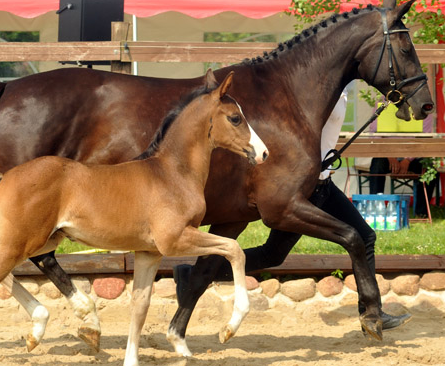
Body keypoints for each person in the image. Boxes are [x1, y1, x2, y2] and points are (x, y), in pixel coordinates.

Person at [175, 87, 411, 331]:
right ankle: (192, 277)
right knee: (284, 252)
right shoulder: (318, 91)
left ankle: (372, 314)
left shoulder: (340, 90)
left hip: (323, 182)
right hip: (306, 187)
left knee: (359, 237)